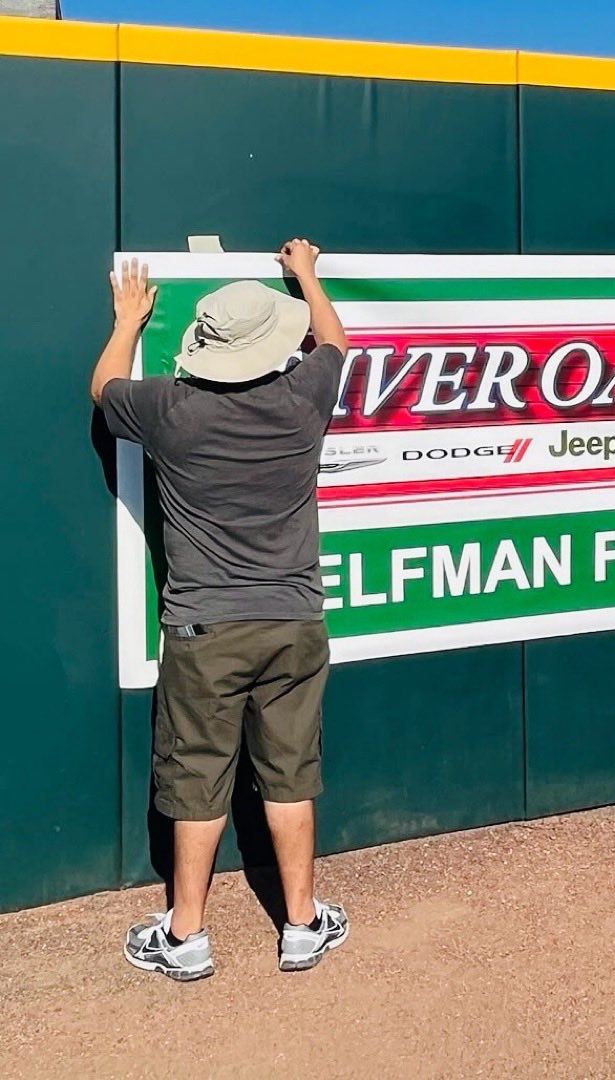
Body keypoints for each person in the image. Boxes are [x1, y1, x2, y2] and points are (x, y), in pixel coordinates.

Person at [93, 239, 351, 978]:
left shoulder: (172, 411)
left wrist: (129, 320)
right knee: (291, 775)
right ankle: (302, 925)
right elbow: (334, 339)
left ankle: (187, 936)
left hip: (205, 631)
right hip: (295, 621)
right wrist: (306, 274)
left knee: (196, 781)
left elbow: (103, 386)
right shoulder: (306, 395)